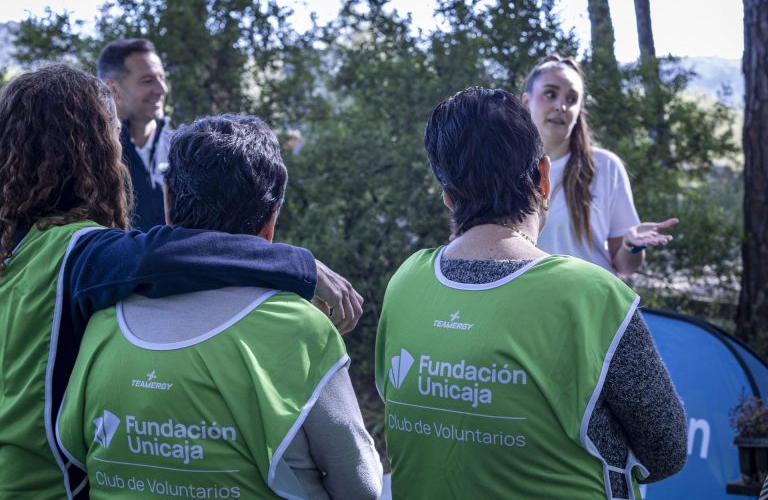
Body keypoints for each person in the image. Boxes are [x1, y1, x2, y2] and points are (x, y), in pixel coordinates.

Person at [0, 64, 361, 499]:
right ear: (87, 152)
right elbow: (171, 252)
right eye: (113, 137)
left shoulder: (17, 246)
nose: (120, 153)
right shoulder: (77, 251)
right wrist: (302, 267)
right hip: (44, 486)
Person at [375, 87, 687, 499]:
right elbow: (666, 451)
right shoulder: (591, 296)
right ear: (543, 176)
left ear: (449, 198)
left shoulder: (406, 283)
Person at [521, 55, 678, 277]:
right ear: (526, 101)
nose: (561, 106)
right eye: (550, 94)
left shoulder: (604, 167)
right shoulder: (504, 168)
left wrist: (631, 245)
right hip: (531, 303)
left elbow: (625, 266)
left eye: (572, 98)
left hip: (593, 302)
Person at [97, 38, 171, 231]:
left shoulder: (180, 149)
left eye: (162, 78)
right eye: (148, 81)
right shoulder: (92, 156)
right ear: (113, 89)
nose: (162, 90)